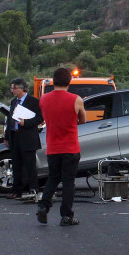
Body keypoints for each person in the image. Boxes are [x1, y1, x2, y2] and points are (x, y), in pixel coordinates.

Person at [36, 67, 86, 226]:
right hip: (70, 148)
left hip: (53, 147)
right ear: (69, 81)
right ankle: (66, 216)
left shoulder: (43, 99)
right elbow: (83, 120)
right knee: (68, 182)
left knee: (53, 178)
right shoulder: (76, 99)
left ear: (53, 80)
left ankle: (43, 206)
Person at [4, 78, 42, 201]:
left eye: (14, 88)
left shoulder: (33, 101)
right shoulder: (13, 101)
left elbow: (40, 118)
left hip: (28, 137)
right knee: (16, 165)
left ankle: (33, 189)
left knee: (30, 166)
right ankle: (17, 190)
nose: (12, 90)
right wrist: (6, 136)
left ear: (22, 88)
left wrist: (26, 122)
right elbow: (10, 119)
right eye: (11, 88)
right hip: (15, 137)